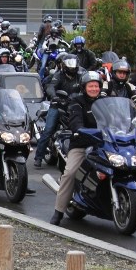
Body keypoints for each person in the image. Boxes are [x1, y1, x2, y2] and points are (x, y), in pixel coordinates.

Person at [50, 71, 104, 226]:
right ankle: (58, 211)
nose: (94, 89)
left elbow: (116, 117)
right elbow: (75, 121)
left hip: (103, 143)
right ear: (84, 87)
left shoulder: (105, 101)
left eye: (96, 86)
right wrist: (79, 129)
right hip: (82, 143)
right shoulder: (76, 101)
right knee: (70, 173)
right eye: (90, 86)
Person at [33, 54, 83, 168]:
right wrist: (54, 97)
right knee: (48, 130)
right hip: (59, 105)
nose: (72, 67)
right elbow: (51, 87)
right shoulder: (58, 75)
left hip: (74, 105)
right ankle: (39, 157)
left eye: (74, 64)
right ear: (64, 65)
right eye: (69, 64)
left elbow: (85, 86)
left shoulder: (80, 76)